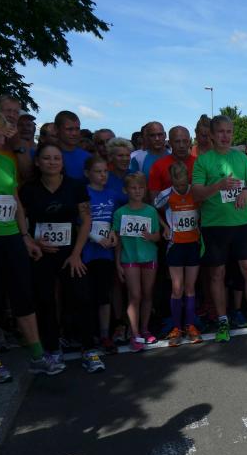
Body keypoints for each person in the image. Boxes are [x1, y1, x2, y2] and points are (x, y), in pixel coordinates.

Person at [0, 108, 65, 382]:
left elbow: (16, 203)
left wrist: (25, 237)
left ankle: (38, 356)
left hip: (11, 236)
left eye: (3, 135)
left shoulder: (5, 162)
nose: (1, 140)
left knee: (24, 295)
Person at [20, 142, 104, 372]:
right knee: (45, 300)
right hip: (41, 253)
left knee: (82, 297)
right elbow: (20, 218)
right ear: (38, 162)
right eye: (47, 158)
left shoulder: (75, 186)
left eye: (57, 158)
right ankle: (52, 348)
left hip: (71, 253)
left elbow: (85, 220)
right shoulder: (29, 189)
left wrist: (76, 253)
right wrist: (31, 240)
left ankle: (89, 348)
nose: (52, 162)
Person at [191, 115, 247, 342]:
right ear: (212, 135)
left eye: (228, 131)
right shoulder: (203, 161)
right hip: (214, 226)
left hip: (242, 225)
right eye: (220, 132)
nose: (225, 136)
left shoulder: (241, 158)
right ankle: (222, 322)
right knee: (217, 274)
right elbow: (196, 193)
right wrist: (218, 186)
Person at [113, 172, 164, 352]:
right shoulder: (120, 213)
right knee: (135, 295)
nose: (137, 191)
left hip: (149, 257)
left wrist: (151, 236)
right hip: (129, 258)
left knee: (147, 294)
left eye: (141, 187)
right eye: (133, 188)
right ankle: (134, 334)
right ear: (126, 190)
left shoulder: (150, 211)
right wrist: (117, 263)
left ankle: (144, 329)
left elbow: (158, 236)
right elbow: (118, 240)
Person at [154, 162, 203, 346]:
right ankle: (176, 327)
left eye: (183, 183)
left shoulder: (194, 192)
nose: (181, 188)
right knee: (177, 288)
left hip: (193, 244)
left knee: (190, 287)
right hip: (175, 246)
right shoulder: (166, 194)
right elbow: (152, 209)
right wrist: (165, 227)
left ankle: (190, 326)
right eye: (178, 184)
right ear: (172, 180)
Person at [82, 156, 119, 354]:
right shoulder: (83, 194)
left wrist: (113, 232)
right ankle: (88, 336)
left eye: (105, 171)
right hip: (87, 253)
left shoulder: (112, 194)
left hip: (106, 254)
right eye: (98, 171)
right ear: (87, 174)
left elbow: (116, 219)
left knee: (104, 296)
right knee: (87, 297)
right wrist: (96, 237)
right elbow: (78, 222)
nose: (103, 175)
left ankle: (105, 335)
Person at [148, 126, 196, 200]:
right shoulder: (158, 166)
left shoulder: (199, 164)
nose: (181, 145)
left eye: (185, 141)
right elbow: (154, 199)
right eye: (177, 142)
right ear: (170, 143)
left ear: (189, 142)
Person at [52, 110, 91, 181]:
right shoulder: (46, 156)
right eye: (69, 129)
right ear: (56, 129)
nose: (74, 133)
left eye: (77, 129)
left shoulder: (88, 158)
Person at [105, 137, 133, 207]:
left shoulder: (135, 177)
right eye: (120, 155)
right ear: (110, 157)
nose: (125, 159)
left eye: (127, 155)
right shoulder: (104, 178)